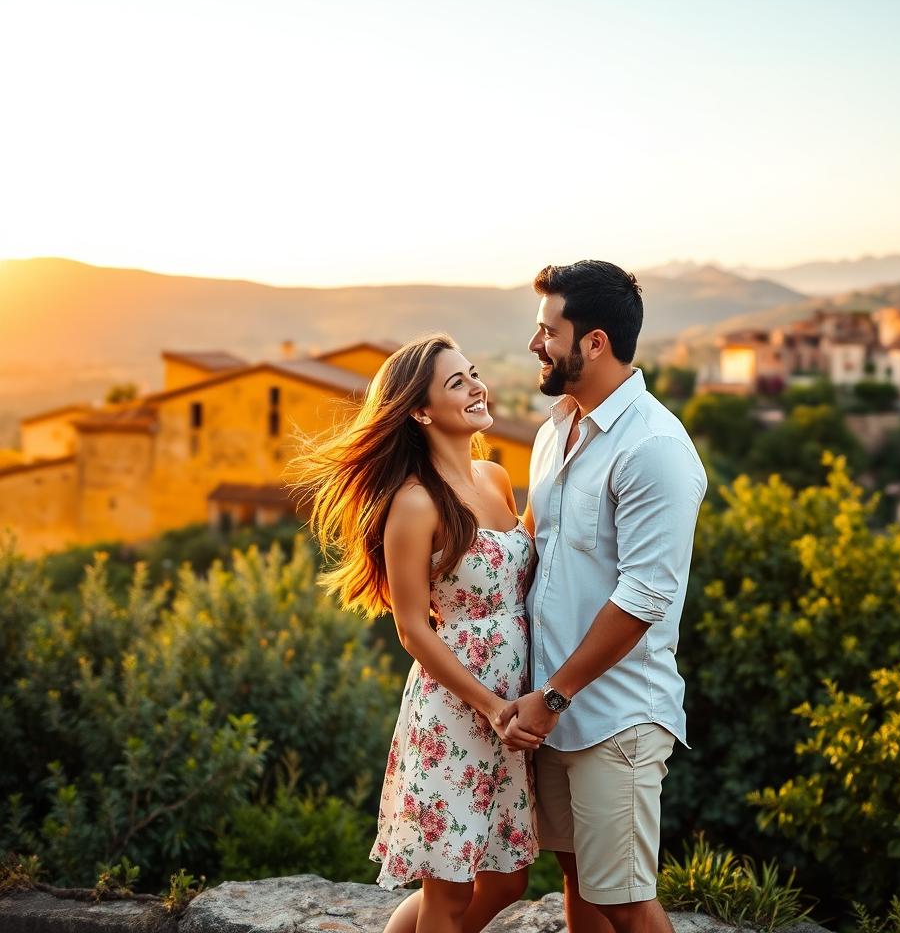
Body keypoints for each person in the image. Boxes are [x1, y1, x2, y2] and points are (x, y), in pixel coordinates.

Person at [290, 334, 541, 933]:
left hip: (511, 710)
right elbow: (410, 628)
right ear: (421, 411)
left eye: (474, 373)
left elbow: (525, 556)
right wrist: (490, 705)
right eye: (457, 382)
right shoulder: (414, 503)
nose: (477, 386)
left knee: (508, 879)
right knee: (448, 892)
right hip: (457, 712)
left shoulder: (495, 478)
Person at [499, 260, 708, 933]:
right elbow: (533, 547)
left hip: (614, 713)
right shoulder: (555, 429)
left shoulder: (653, 446)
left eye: (547, 330)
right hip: (553, 708)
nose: (536, 344)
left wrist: (555, 693)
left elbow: (644, 598)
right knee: (578, 879)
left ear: (593, 342)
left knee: (623, 895)